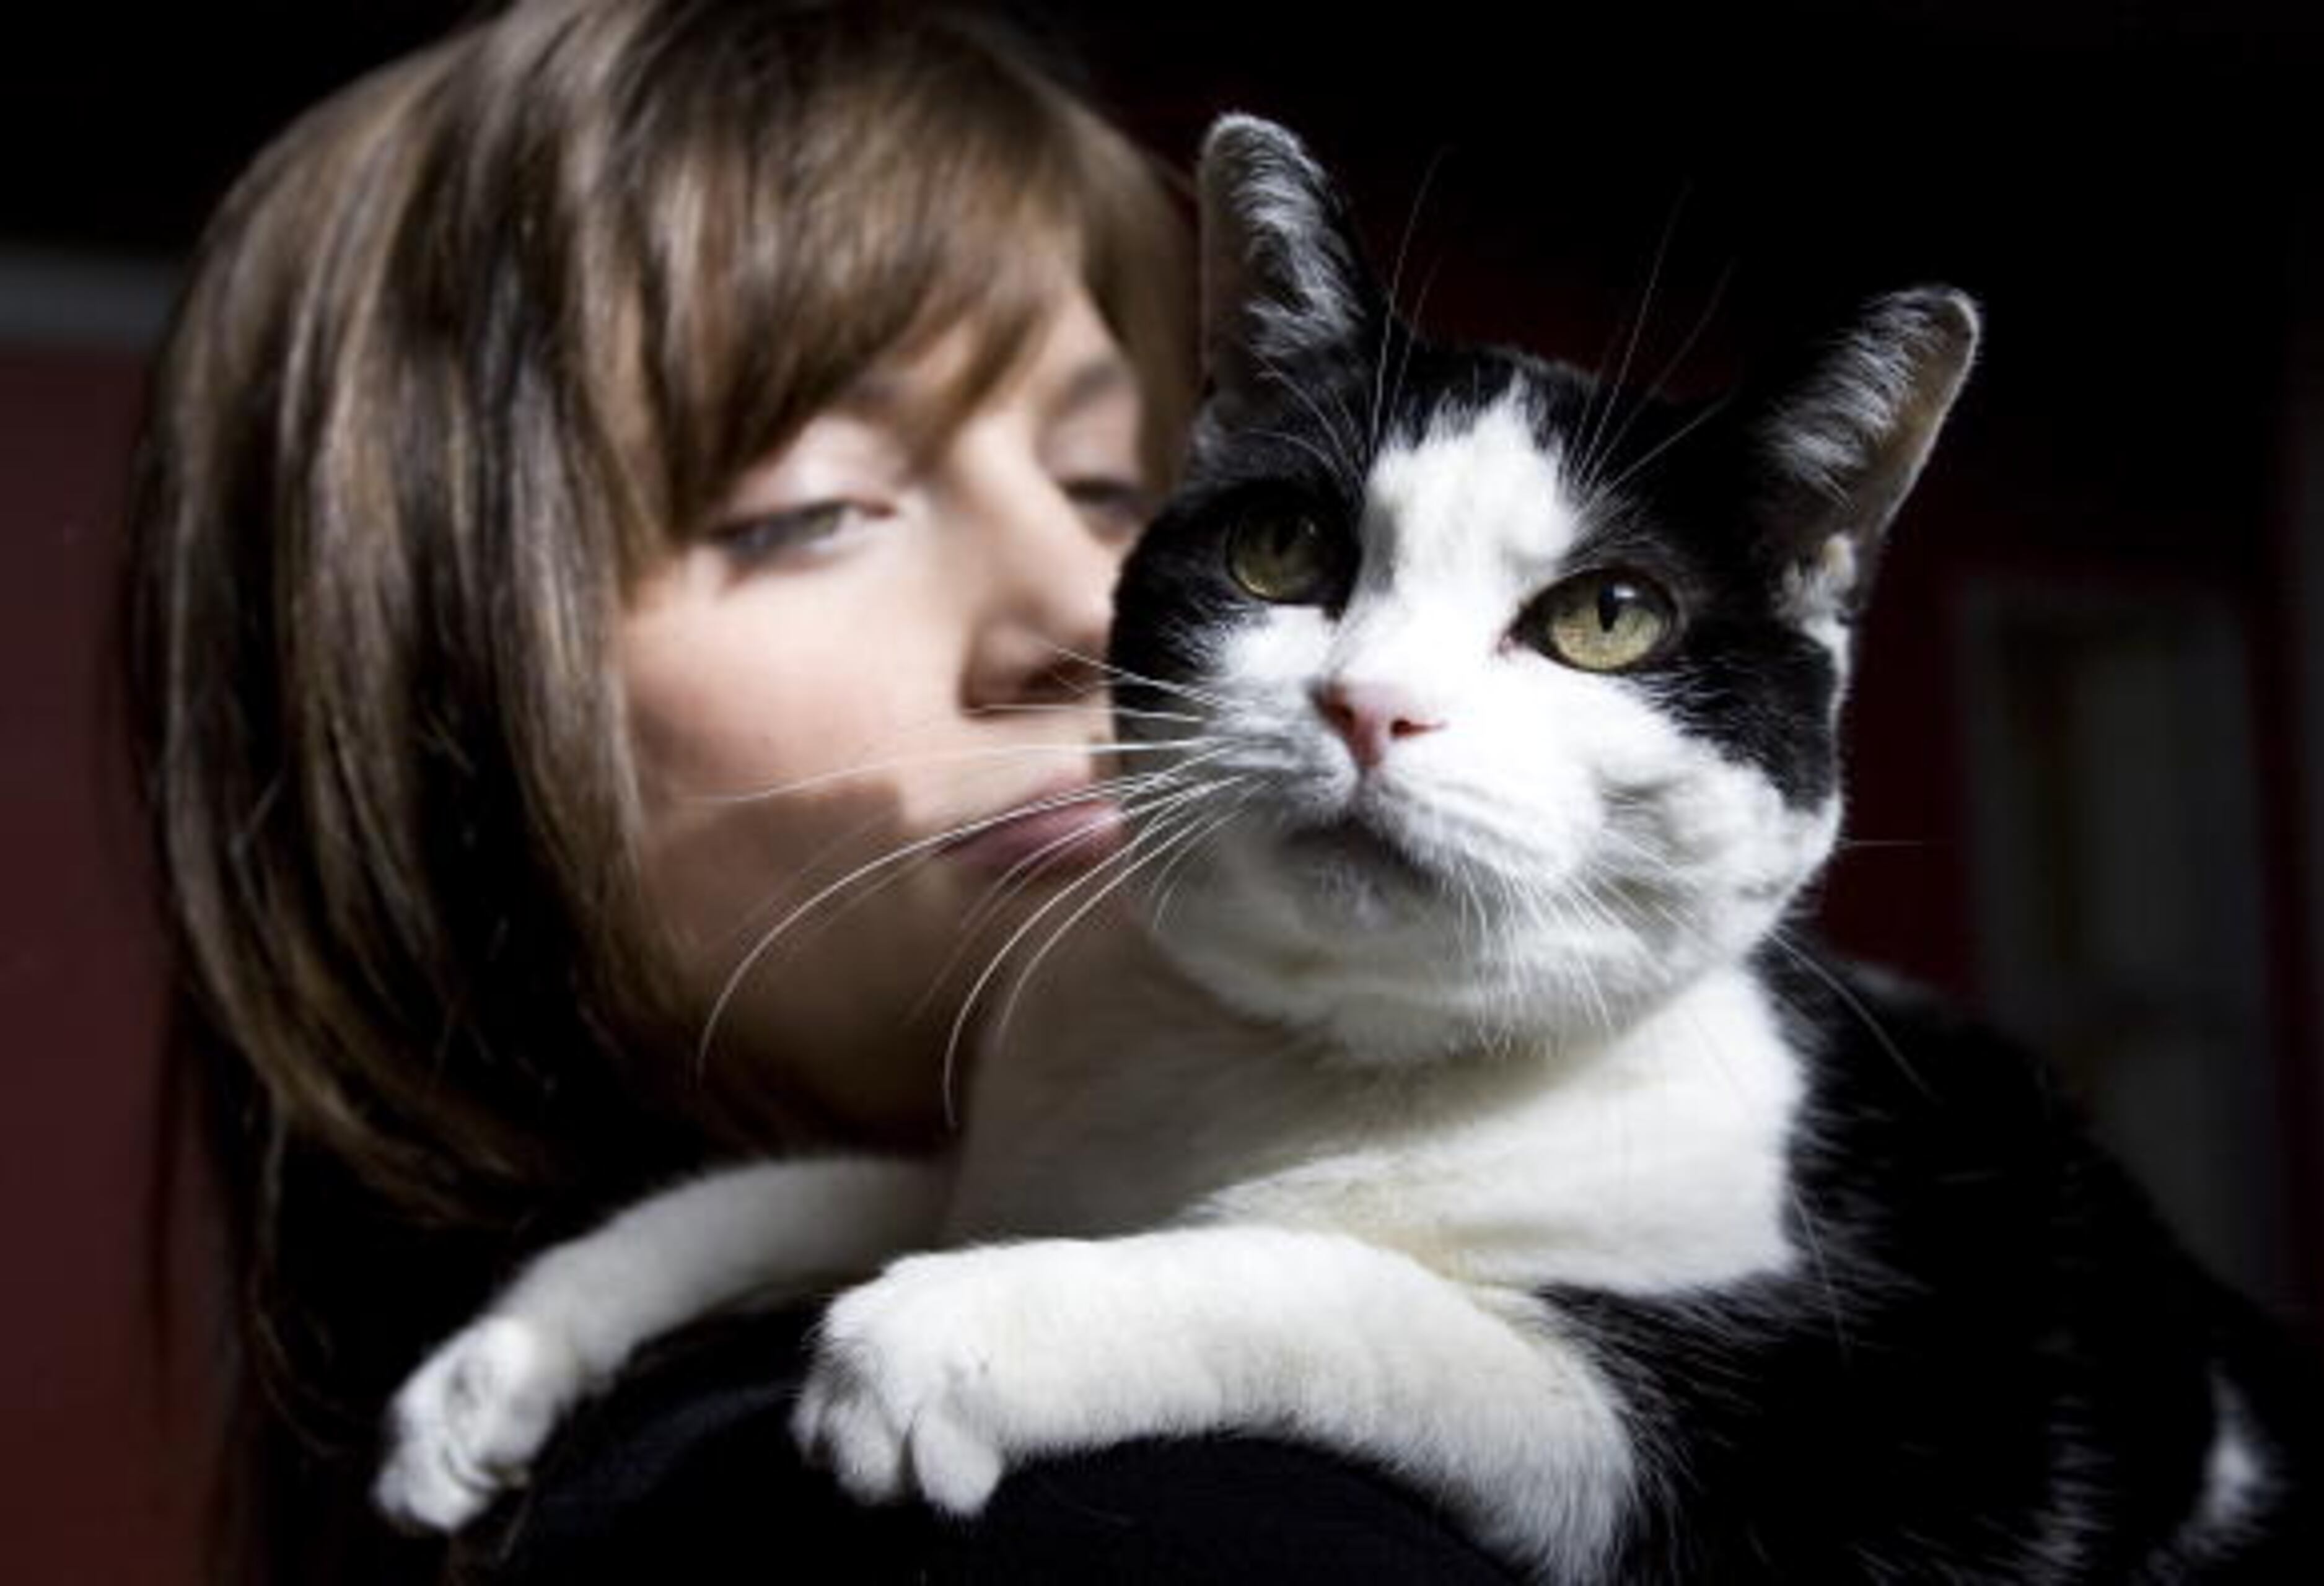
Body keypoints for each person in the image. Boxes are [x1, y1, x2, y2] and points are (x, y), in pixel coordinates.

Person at [125, 1, 1523, 1582]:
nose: (1087, 602)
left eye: (1112, 486)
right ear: (422, 713)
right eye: (814, 510)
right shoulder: (1050, 1509)